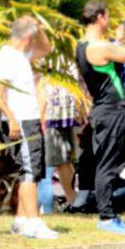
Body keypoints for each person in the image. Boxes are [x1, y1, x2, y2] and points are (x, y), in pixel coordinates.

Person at [76, 0, 125, 234]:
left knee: (110, 162)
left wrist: (119, 39)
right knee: (107, 165)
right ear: (100, 17)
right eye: (107, 16)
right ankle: (106, 217)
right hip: (112, 110)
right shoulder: (99, 47)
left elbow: (109, 65)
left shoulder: (83, 45)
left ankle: (109, 213)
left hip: (104, 109)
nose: (109, 20)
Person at [0, 16, 57, 239]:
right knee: (30, 171)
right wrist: (12, 119)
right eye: (33, 37)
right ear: (27, 37)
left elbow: (47, 48)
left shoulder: (21, 55)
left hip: (29, 119)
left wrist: (40, 27)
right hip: (21, 121)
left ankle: (21, 220)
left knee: (29, 171)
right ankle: (33, 222)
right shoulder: (5, 57)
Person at [37, 62, 86, 207]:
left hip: (63, 112)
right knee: (63, 162)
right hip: (62, 111)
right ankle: (74, 200)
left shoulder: (54, 57)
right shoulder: (59, 57)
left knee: (66, 161)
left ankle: (76, 200)